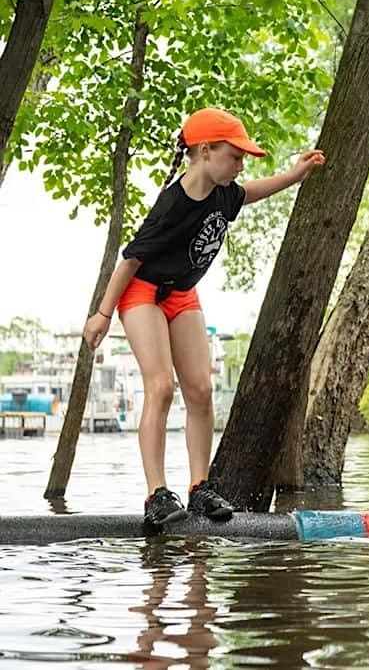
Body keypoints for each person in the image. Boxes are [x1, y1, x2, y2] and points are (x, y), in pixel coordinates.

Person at [83, 107, 325, 529]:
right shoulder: (173, 204)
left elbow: (250, 192)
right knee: (160, 387)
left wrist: (294, 175)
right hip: (142, 293)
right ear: (206, 150)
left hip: (180, 294)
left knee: (200, 388)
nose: (241, 164)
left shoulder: (224, 192)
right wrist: (102, 314)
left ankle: (199, 488)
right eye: (235, 156)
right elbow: (129, 262)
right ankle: (156, 494)